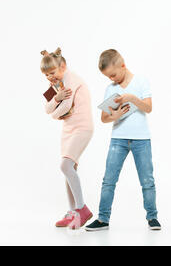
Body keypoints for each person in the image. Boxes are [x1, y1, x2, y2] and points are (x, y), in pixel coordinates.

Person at [85, 49, 160, 231]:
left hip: (141, 139)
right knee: (109, 180)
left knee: (147, 180)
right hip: (118, 138)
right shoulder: (110, 89)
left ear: (123, 65)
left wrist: (133, 98)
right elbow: (104, 118)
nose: (112, 79)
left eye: (113, 74)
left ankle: (152, 217)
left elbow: (148, 108)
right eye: (108, 77)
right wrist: (115, 115)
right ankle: (103, 219)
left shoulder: (141, 81)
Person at [41, 48, 94, 229]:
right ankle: (73, 212)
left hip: (82, 127)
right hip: (68, 129)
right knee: (69, 169)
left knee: (65, 165)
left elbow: (64, 108)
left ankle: (82, 209)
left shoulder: (71, 79)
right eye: (47, 74)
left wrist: (55, 113)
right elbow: (47, 108)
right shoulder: (55, 85)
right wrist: (56, 98)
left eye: (53, 72)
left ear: (63, 66)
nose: (50, 77)